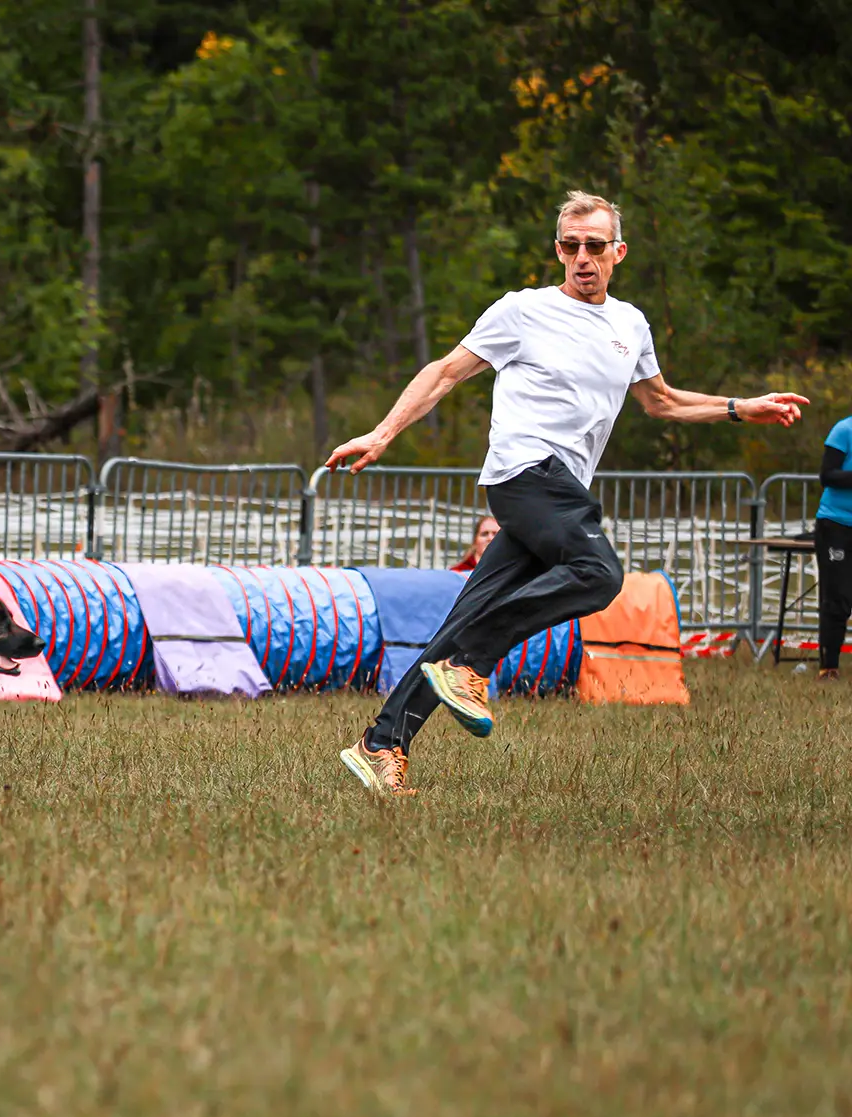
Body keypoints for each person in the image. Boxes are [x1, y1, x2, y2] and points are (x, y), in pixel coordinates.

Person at [329, 189, 810, 796]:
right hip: (525, 475)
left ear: (618, 252)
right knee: (599, 573)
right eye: (571, 245)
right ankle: (469, 663)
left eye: (596, 246)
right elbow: (445, 372)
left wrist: (741, 407)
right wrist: (382, 431)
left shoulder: (629, 324)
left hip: (558, 489)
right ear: (558, 250)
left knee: (467, 615)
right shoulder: (521, 311)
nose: (583, 257)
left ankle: (382, 744)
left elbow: (660, 401)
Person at [818, 414, 852, 679]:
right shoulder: (843, 429)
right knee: (837, 597)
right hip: (837, 524)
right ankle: (829, 666)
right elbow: (827, 475)